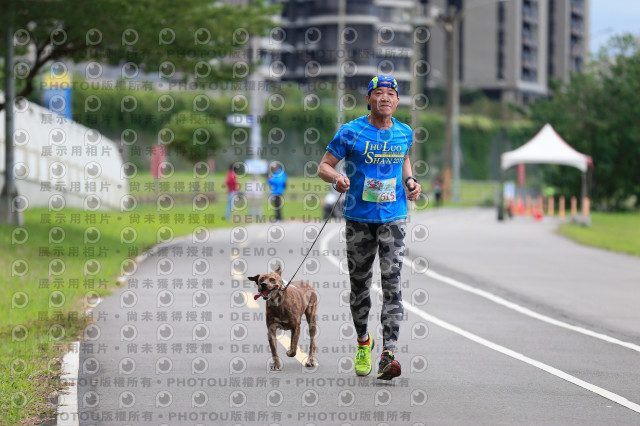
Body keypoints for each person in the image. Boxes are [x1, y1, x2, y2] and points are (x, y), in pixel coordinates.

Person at [317, 75, 422, 380]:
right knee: (360, 287)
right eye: (378, 93)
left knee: (392, 283)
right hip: (359, 219)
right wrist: (335, 178)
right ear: (368, 99)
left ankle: (388, 353)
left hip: (393, 217)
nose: (385, 98)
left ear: (397, 101)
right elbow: (324, 165)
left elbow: (404, 161)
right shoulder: (351, 132)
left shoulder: (404, 133)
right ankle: (364, 341)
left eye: (390, 94)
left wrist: (410, 181)